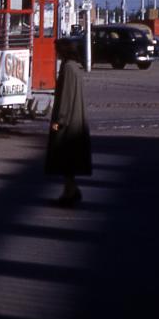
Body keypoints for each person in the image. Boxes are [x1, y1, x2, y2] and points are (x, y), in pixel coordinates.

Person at [45, 43, 92, 206]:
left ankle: (70, 192)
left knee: (65, 158)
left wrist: (59, 122)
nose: (56, 53)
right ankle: (69, 190)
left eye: (57, 50)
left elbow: (66, 97)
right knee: (69, 161)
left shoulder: (68, 69)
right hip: (75, 121)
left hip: (68, 124)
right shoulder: (75, 67)